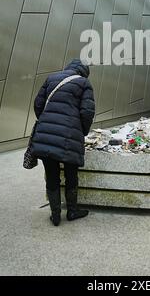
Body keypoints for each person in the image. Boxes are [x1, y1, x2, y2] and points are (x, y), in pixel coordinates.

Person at [31, 59, 95, 226]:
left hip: (46, 135)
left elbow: (38, 104)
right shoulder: (83, 83)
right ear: (83, 72)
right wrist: (82, 131)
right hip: (70, 135)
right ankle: (72, 211)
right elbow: (87, 112)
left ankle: (56, 215)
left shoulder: (51, 78)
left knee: (52, 175)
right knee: (71, 174)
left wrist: (47, 122)